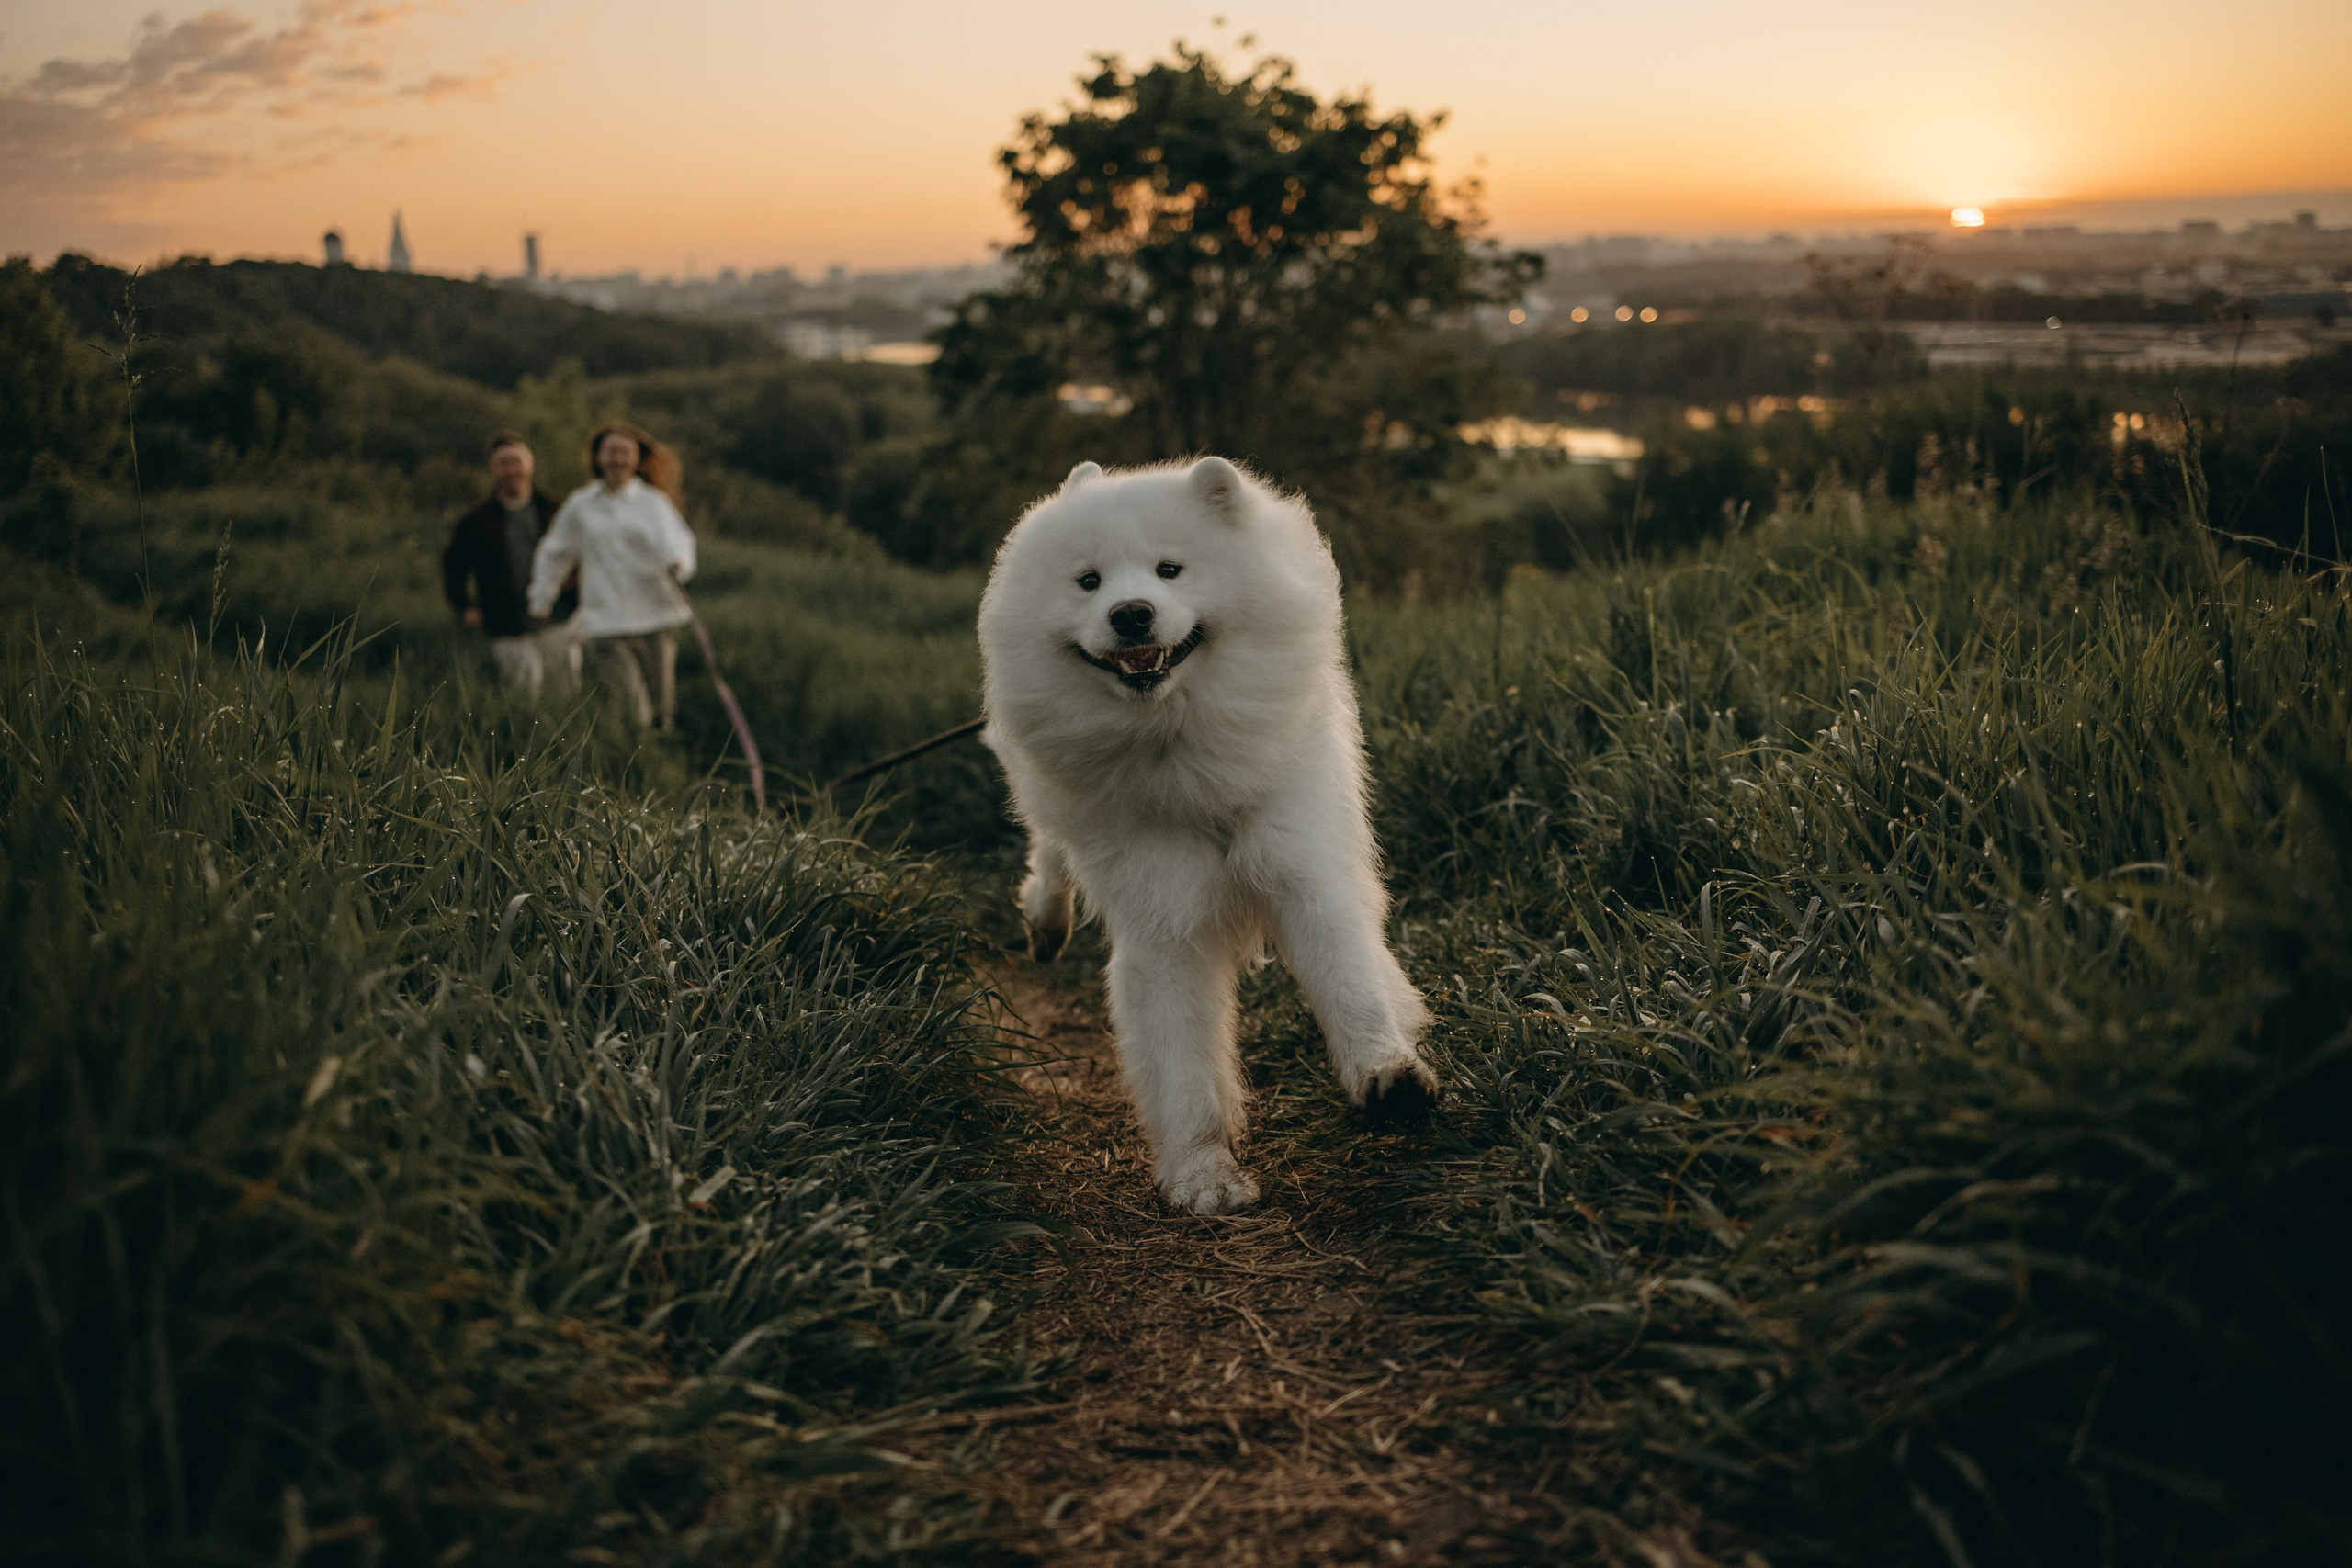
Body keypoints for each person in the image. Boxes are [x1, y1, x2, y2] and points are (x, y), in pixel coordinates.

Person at [528, 422, 696, 732]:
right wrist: (542, 595)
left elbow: (678, 542)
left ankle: (659, 764)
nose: (618, 459)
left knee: (661, 708)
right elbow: (555, 551)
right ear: (598, 458)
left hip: (655, 615)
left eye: (625, 453)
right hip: (605, 618)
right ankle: (633, 755)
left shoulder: (653, 503)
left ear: (636, 460)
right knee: (631, 706)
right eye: (611, 452)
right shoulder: (581, 505)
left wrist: (678, 563)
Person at [441, 433, 581, 699]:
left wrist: (575, 588)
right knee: (524, 693)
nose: (511, 469)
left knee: (565, 693)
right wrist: (463, 605)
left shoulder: (555, 511)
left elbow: (582, 556)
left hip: (558, 618)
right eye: (504, 463)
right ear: (493, 469)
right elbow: (454, 565)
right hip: (506, 623)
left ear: (530, 464)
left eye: (517, 461)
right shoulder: (476, 521)